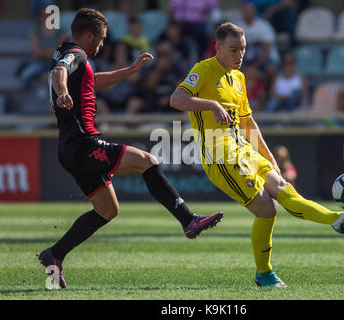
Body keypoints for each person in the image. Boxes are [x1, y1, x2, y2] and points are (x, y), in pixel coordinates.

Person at [170, 22, 344, 288]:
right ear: (218, 47)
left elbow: (249, 124)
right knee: (267, 210)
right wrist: (210, 104)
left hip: (243, 149)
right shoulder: (203, 69)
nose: (240, 55)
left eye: (243, 49)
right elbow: (176, 99)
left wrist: (270, 159)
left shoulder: (239, 78)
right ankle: (264, 273)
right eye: (233, 49)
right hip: (219, 155)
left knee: (283, 187)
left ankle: (337, 220)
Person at [39, 8, 223, 289]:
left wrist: (130, 70)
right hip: (83, 143)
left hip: (68, 147)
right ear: (88, 36)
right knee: (147, 160)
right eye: (100, 40)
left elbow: (90, 81)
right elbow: (59, 72)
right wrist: (62, 91)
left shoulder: (69, 53)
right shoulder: (75, 55)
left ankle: (55, 254)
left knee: (107, 210)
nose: (101, 45)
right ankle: (188, 220)